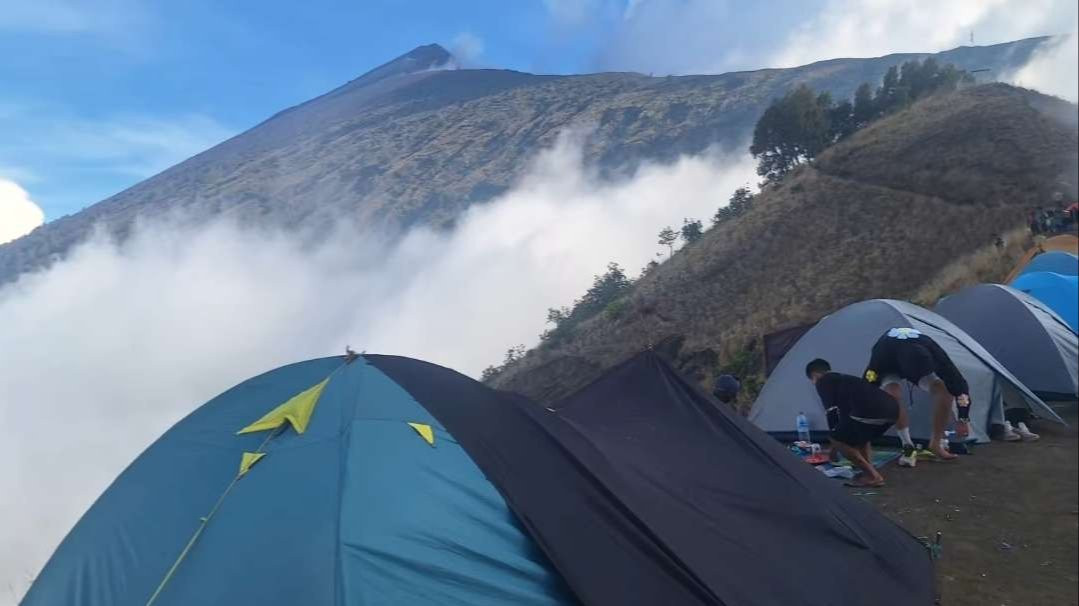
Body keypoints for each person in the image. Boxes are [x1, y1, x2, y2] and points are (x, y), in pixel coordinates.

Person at [864, 327, 972, 466]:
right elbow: (867, 386)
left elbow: (960, 385)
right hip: (890, 362)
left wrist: (963, 418)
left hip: (916, 357)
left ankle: (936, 443)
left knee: (944, 391)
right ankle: (908, 446)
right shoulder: (881, 356)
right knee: (893, 395)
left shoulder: (935, 352)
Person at [805, 359, 899, 488]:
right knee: (861, 435)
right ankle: (867, 470)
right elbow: (845, 421)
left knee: (837, 438)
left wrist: (834, 444)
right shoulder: (845, 382)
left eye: (813, 380)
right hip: (892, 410)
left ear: (815, 375)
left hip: (872, 410)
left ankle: (873, 476)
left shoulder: (823, 381)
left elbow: (831, 412)